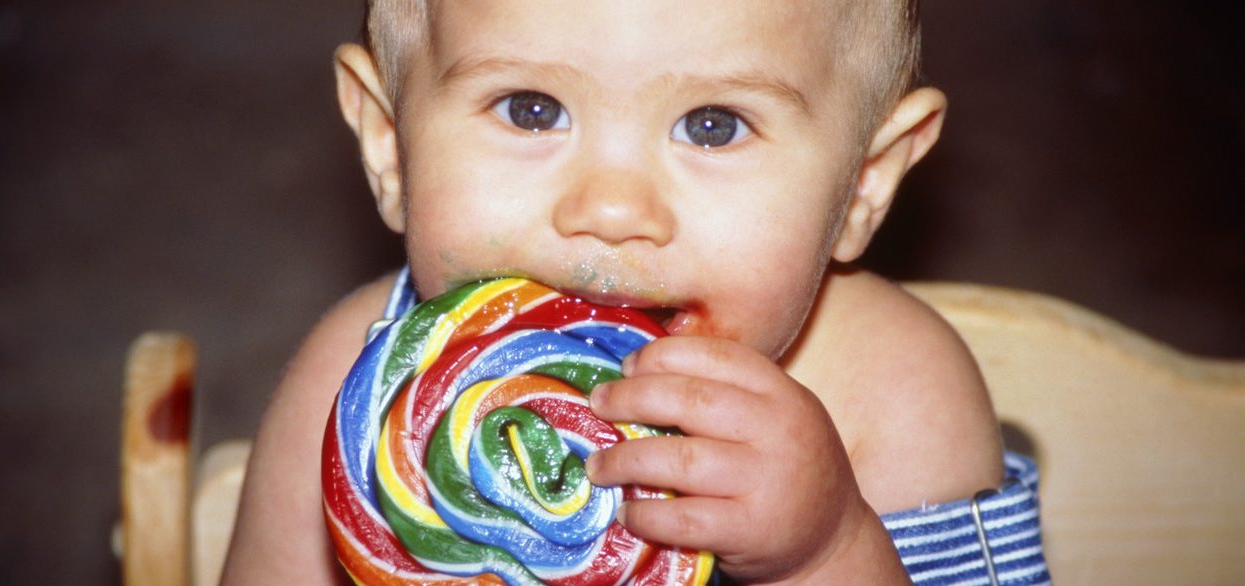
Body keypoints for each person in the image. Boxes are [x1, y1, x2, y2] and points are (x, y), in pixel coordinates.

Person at [223, 1, 1047, 584]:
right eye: (531, 109)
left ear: (864, 183)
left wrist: (827, 553)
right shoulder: (363, 395)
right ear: (389, 142)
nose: (612, 209)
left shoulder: (897, 394)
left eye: (713, 124)